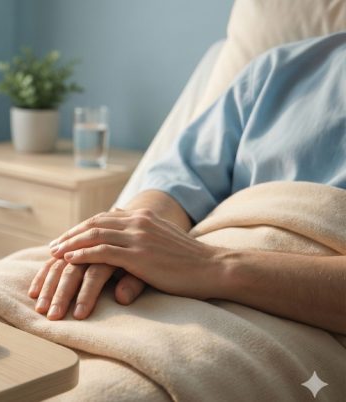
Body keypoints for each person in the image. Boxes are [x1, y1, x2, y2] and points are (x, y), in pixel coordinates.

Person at [28, 32, 346, 334]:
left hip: (280, 313)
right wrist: (120, 243)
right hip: (180, 269)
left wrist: (210, 266)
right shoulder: (275, 72)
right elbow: (178, 183)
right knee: (7, 298)